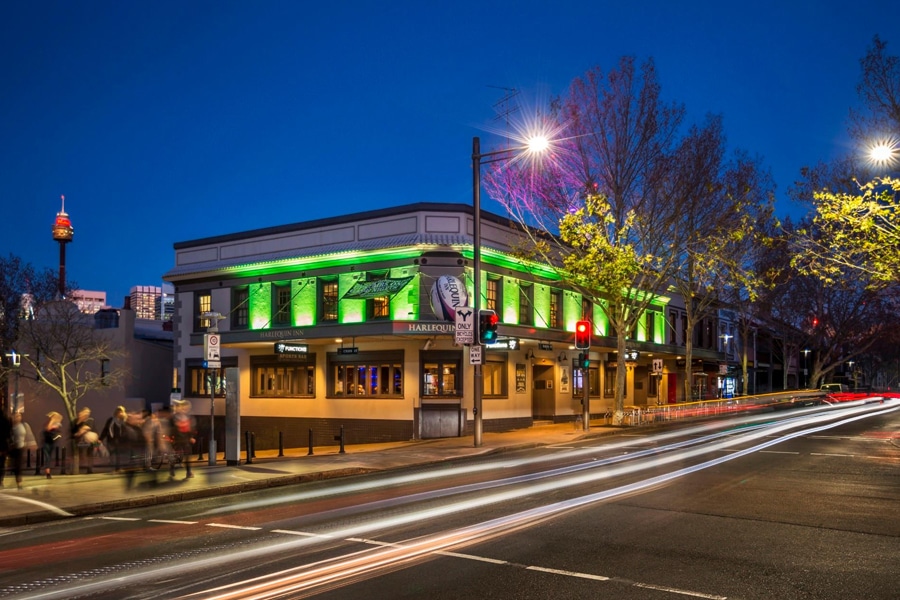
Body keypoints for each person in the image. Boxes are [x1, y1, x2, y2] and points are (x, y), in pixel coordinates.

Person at [169, 401, 196, 480]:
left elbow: (192, 427)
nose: (185, 409)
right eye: (184, 407)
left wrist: (191, 437)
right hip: (178, 439)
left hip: (186, 440)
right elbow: (172, 428)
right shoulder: (174, 417)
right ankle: (172, 467)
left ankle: (188, 472)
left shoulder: (189, 417)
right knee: (177, 456)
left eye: (187, 408)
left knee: (187, 456)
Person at [100, 406, 128, 472]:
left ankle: (118, 468)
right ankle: (114, 468)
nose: (119, 413)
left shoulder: (123, 421)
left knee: (118, 454)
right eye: (118, 411)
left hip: (120, 440)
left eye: (121, 411)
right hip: (111, 439)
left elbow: (126, 431)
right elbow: (106, 429)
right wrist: (100, 439)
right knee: (112, 453)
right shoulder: (111, 420)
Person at [72, 407, 96, 474]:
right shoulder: (76, 421)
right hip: (81, 441)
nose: (87, 414)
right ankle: (81, 467)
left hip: (91, 441)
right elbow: (74, 431)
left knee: (90, 453)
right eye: (86, 412)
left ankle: (89, 469)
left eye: (88, 413)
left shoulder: (90, 420)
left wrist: (79, 433)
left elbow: (86, 428)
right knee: (81, 452)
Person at [8, 412, 27, 489]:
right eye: (16, 416)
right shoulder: (12, 427)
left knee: (18, 465)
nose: (18, 417)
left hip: (20, 448)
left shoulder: (22, 426)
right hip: (13, 448)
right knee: (15, 465)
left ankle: (19, 482)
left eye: (19, 416)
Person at [42, 411, 63, 478]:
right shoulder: (48, 423)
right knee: (47, 457)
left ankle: (48, 472)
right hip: (46, 443)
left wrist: (56, 419)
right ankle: (48, 473)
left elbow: (60, 421)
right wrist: (52, 420)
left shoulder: (56, 424)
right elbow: (48, 428)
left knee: (49, 457)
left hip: (52, 442)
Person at [0, 411, 11, 488]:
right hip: (3, 445)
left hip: (2, 444)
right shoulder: (6, 420)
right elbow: (8, 434)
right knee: (2, 463)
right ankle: (1, 480)